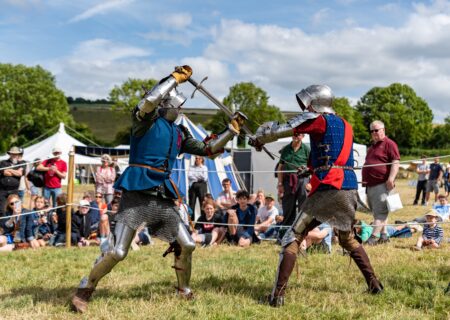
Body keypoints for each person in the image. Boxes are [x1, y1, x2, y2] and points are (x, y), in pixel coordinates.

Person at [71, 65, 246, 313]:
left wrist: (231, 130)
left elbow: (209, 150)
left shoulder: (179, 133)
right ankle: (85, 288)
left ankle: (184, 289)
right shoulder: (145, 122)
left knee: (188, 244)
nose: (180, 109)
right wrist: (174, 79)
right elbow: (150, 100)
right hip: (136, 191)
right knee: (119, 251)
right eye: (177, 104)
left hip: (162, 195)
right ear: (167, 104)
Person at [252, 84, 383, 307]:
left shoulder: (320, 120)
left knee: (292, 238)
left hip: (329, 188)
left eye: (307, 104)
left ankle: (277, 296)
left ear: (314, 103)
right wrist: (311, 169)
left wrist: (260, 138)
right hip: (348, 186)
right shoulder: (345, 125)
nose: (306, 108)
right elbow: (333, 156)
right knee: (347, 238)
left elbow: (288, 128)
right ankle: (375, 284)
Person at [362, 120, 400, 245]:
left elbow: (395, 162)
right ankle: (384, 236)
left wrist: (391, 178)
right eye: (372, 131)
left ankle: (373, 238)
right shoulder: (372, 146)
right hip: (370, 185)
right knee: (377, 211)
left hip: (382, 184)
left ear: (383, 130)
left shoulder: (389, 144)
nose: (374, 133)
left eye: (376, 130)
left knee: (381, 212)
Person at [277, 132, 310, 232]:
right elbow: (280, 168)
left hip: (303, 180)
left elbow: (311, 167)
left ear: (303, 136)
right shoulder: (285, 149)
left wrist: (310, 182)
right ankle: (286, 232)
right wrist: (280, 183)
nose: (296, 136)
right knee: (288, 206)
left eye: (299, 134)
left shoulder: (306, 149)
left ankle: (302, 231)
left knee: (303, 206)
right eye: (295, 134)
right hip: (288, 181)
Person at [0, 146, 25, 217]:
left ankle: (15, 225)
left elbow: (20, 174)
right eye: (13, 153)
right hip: (3, 190)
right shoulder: (3, 163)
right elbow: (4, 172)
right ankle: (3, 226)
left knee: (16, 209)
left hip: (14, 191)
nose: (14, 155)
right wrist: (15, 171)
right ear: (10, 154)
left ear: (18, 155)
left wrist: (10, 169)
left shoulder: (22, 163)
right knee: (2, 209)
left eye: (16, 154)